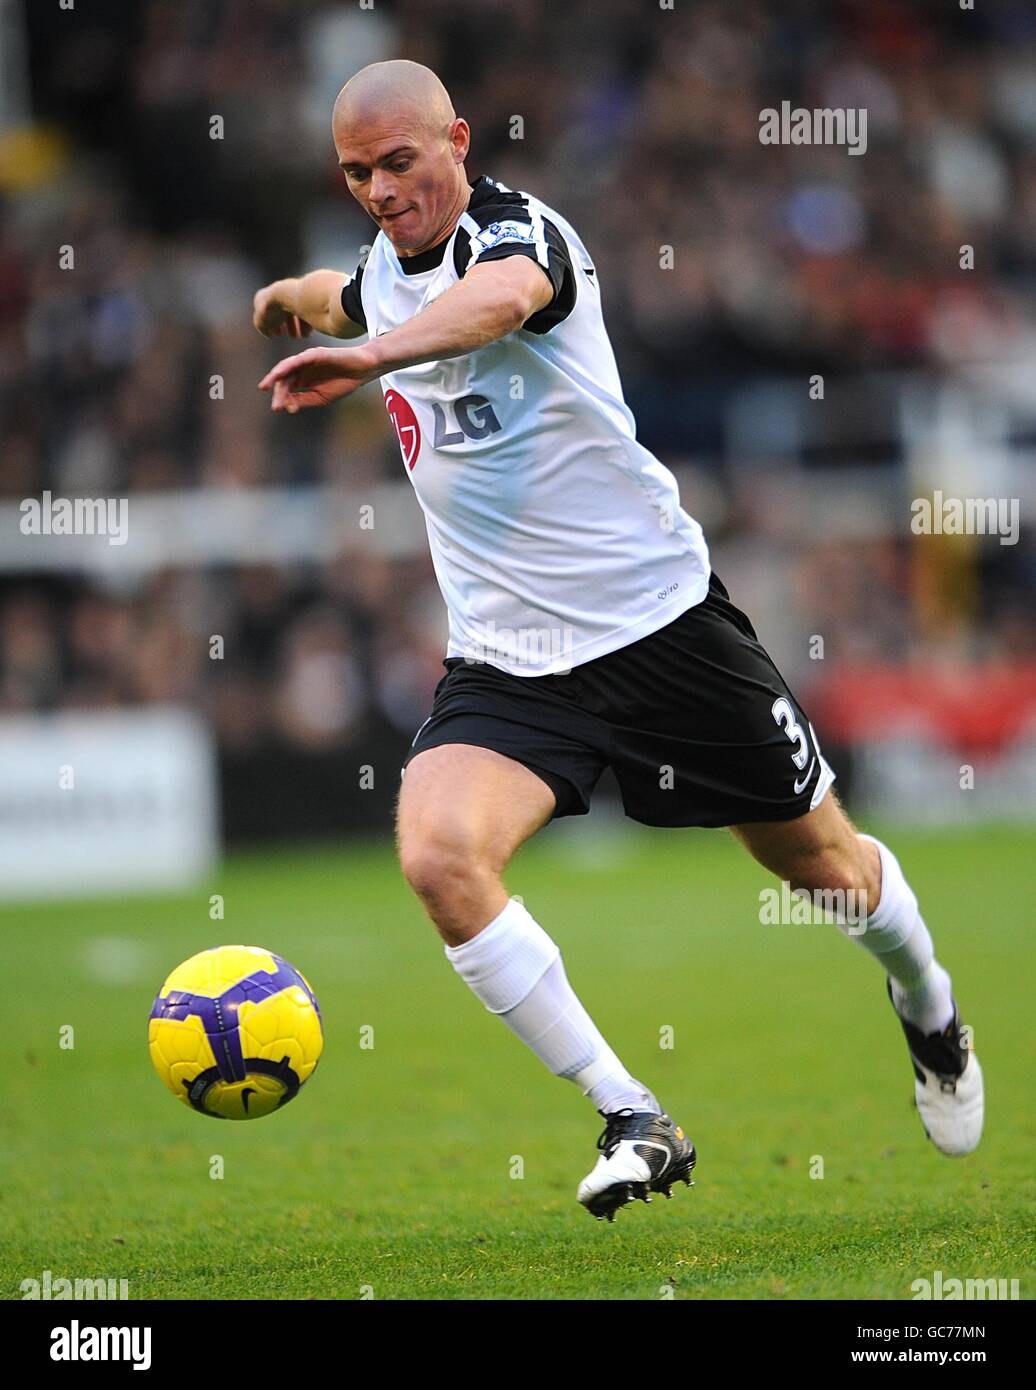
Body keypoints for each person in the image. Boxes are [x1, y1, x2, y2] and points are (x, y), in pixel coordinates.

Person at [253, 60, 983, 1221]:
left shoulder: (525, 237)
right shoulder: (379, 272)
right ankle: (631, 1109)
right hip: (507, 657)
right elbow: (350, 293)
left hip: (661, 629)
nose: (383, 191)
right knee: (440, 854)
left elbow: (490, 301)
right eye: (356, 173)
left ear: (456, 138)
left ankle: (928, 1004)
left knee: (819, 866)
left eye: (401, 162)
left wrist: (376, 360)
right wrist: (293, 299)